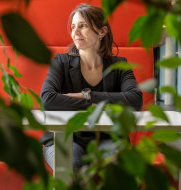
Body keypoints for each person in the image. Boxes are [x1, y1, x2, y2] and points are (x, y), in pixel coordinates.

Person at [39, 3, 143, 172]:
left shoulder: (120, 65)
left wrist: (87, 96)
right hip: (65, 137)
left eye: (83, 26)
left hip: (107, 137)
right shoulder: (61, 62)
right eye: (73, 27)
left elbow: (135, 100)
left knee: (120, 168)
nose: (75, 32)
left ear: (102, 32)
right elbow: (48, 100)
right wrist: (96, 104)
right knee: (73, 166)